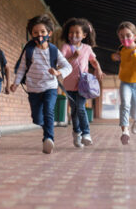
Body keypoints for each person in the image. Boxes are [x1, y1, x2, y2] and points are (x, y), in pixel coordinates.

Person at [9, 15, 72, 154]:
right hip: (33, 88)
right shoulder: (29, 50)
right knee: (37, 118)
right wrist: (16, 83)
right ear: (31, 34)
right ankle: (45, 128)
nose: (39, 35)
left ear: (49, 33)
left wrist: (58, 72)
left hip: (50, 87)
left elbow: (68, 66)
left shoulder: (54, 50)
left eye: (43, 32)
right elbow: (22, 69)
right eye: (35, 32)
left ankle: (48, 138)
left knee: (48, 111)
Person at [60, 18, 104, 148]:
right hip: (68, 84)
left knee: (80, 107)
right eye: (71, 32)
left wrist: (99, 69)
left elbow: (94, 61)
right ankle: (76, 133)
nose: (73, 35)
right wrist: (72, 57)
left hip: (83, 84)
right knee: (74, 111)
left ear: (84, 35)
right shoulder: (66, 47)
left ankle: (86, 134)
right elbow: (60, 62)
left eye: (77, 32)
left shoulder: (87, 48)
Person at [110, 21, 136, 145]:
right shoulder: (121, 49)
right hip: (125, 82)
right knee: (125, 104)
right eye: (121, 36)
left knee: (134, 112)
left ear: (135, 36)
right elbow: (116, 56)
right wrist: (114, 57)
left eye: (128, 35)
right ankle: (125, 131)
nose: (125, 38)